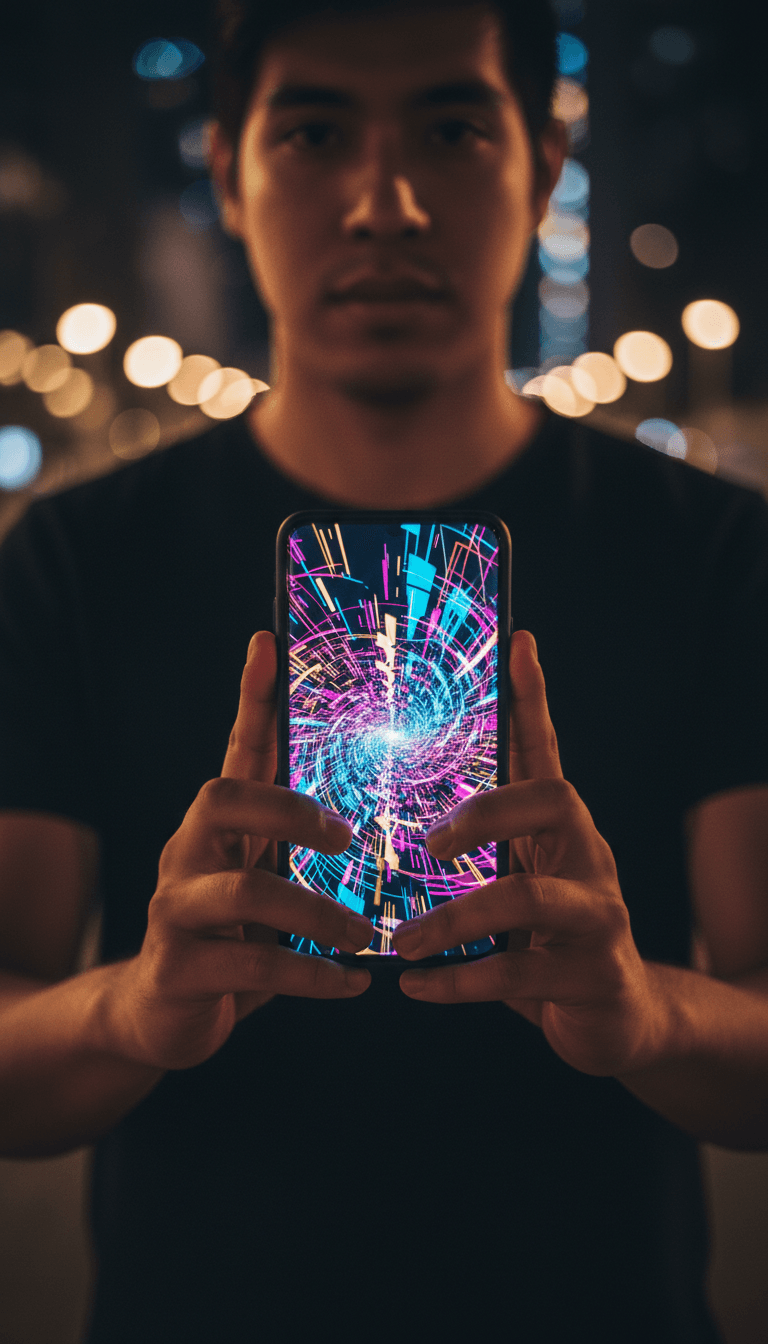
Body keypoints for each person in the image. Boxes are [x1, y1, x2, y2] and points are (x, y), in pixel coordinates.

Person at [0, 1, 767, 1340]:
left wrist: (649, 1017)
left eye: (454, 126)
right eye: (311, 130)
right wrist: (130, 1008)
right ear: (228, 173)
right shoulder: (69, 557)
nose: (385, 202)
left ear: (545, 164)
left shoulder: (720, 554)